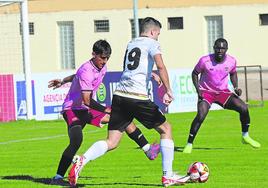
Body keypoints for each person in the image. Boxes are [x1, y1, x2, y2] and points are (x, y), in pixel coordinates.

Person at [68, 17, 190, 187]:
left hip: (120, 95)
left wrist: (150, 75)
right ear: (153, 32)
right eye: (158, 34)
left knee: (112, 141)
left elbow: (135, 67)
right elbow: (161, 66)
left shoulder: (131, 43)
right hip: (137, 96)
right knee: (166, 129)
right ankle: (168, 176)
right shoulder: (152, 44)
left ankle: (82, 160)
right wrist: (168, 90)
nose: (158, 38)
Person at [49, 40, 160, 186]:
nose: (104, 61)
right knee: (76, 141)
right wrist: (105, 109)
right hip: (72, 109)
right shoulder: (86, 70)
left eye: (107, 58)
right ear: (93, 54)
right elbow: (87, 100)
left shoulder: (101, 67)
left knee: (122, 118)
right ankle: (57, 178)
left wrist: (63, 81)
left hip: (86, 109)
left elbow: (76, 76)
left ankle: (147, 149)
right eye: (102, 57)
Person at [183, 38, 261, 154]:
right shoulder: (205, 60)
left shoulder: (231, 61)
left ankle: (245, 136)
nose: (220, 50)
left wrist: (235, 87)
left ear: (226, 49)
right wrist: (198, 89)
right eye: (218, 48)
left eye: (223, 48)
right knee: (201, 115)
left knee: (244, 108)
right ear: (214, 48)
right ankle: (189, 144)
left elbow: (233, 73)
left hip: (223, 92)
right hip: (206, 92)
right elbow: (195, 73)